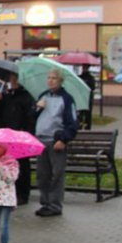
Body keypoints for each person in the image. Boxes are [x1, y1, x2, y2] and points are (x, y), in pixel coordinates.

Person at [33, 68, 78, 217]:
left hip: (55, 141)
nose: (50, 81)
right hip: (41, 139)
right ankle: (45, 203)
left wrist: (64, 139)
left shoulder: (66, 99)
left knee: (56, 175)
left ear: (60, 81)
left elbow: (72, 123)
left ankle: (55, 205)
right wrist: (37, 108)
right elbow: (31, 116)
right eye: (49, 78)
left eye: (54, 78)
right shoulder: (43, 96)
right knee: (42, 175)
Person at [0, 72, 36, 205]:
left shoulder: (26, 97)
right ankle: (11, 191)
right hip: (8, 135)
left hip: (21, 134)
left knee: (22, 165)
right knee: (8, 164)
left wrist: (26, 133)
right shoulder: (8, 96)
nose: (13, 80)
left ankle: (22, 193)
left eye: (16, 78)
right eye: (12, 78)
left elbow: (30, 117)